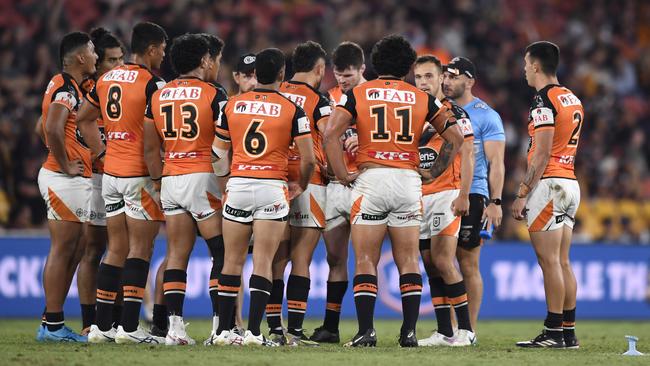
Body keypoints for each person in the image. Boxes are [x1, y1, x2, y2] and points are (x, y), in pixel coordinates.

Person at [324, 34, 464, 347]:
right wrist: (434, 171)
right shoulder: (422, 97)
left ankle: (366, 332)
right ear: (407, 67)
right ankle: (409, 333)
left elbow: (330, 136)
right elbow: (455, 137)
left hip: (371, 178)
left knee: (364, 259)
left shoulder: (359, 93)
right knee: (409, 260)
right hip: (407, 180)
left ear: (375, 63)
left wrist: (342, 174)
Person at [213, 48, 315, 347]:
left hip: (240, 185)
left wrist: (225, 183)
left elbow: (218, 153)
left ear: (255, 73)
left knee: (231, 261)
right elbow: (308, 159)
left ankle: (223, 332)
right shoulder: (292, 109)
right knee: (263, 262)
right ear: (282, 74)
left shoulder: (232, 105)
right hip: (272, 186)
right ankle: (255, 334)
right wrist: (302, 185)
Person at [77, 21, 168, 344]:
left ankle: (102, 328)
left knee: (115, 248)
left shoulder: (106, 78)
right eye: (162, 50)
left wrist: (102, 151)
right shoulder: (152, 84)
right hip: (139, 174)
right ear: (153, 49)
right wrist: (158, 178)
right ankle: (129, 327)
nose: (164, 56)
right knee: (141, 248)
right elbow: (155, 139)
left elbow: (84, 119)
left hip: (111, 174)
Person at [143, 33, 227, 346]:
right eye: (214, 59)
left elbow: (150, 148)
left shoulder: (160, 95)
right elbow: (225, 143)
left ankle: (174, 330)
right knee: (221, 251)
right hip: (202, 177)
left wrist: (158, 180)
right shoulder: (214, 93)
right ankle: (221, 329)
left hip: (171, 178)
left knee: (176, 254)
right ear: (205, 60)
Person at [513, 41, 582, 349]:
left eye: (526, 64)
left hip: (549, 184)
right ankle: (568, 332)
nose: (524, 69)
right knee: (563, 261)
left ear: (536, 66)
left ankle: (553, 331)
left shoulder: (543, 99)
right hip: (570, 182)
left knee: (549, 261)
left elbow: (541, 154)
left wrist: (522, 192)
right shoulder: (572, 97)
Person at [266, 41, 330, 347]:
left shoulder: (275, 92)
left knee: (276, 258)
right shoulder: (318, 99)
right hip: (310, 179)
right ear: (319, 69)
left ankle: (274, 329)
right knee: (302, 258)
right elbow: (329, 137)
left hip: (275, 178)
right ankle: (295, 330)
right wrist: (333, 169)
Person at [36, 31, 98, 342]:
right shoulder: (65, 87)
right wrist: (62, 162)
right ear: (80, 58)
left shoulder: (65, 85)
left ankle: (50, 321)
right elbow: (50, 127)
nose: (96, 57)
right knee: (63, 250)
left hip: (68, 179)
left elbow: (41, 126)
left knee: (76, 248)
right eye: (93, 51)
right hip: (64, 179)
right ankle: (53, 325)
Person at [413, 55, 476, 347]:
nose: (423, 82)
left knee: (443, 259)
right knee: (429, 264)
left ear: (441, 79)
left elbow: (469, 153)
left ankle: (465, 330)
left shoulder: (455, 113)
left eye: (429, 76)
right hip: (420, 197)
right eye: (418, 77)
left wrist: (464, 194)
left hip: (446, 194)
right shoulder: (413, 113)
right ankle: (444, 331)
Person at [442, 57, 505, 330]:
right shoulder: (438, 109)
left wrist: (496, 201)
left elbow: (497, 162)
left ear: (470, 81)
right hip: (441, 191)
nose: (447, 81)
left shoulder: (486, 115)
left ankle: (468, 329)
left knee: (467, 262)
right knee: (440, 261)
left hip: (474, 194)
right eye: (445, 75)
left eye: (454, 76)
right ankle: (447, 327)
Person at [310, 41, 366, 344]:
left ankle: (364, 327)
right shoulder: (328, 99)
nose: (343, 81)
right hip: (333, 185)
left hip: (365, 183)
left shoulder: (372, 97)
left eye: (349, 75)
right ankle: (331, 326)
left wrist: (366, 144)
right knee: (334, 257)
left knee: (365, 258)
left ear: (362, 70)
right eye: (339, 75)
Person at [76, 27, 125, 336]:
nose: (117, 66)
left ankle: (117, 319)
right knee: (94, 250)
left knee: (123, 247)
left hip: (120, 176)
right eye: (111, 60)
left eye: (121, 60)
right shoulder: (87, 91)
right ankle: (89, 321)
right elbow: (49, 124)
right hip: (95, 177)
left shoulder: (122, 87)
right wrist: (98, 154)